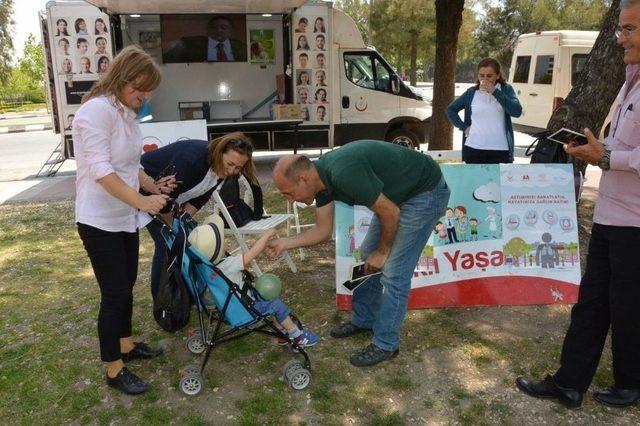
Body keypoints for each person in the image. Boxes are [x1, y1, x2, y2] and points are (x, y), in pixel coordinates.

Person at [516, 0, 640, 409]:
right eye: (620, 29)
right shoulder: (629, 80)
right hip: (610, 213)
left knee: (627, 305)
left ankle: (630, 382)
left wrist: (604, 157)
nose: (620, 38)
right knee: (590, 303)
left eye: (629, 30)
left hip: (635, 222)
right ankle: (569, 383)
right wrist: (593, 147)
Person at [267, 141, 450, 366]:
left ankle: (386, 343)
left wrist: (383, 252)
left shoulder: (344, 172)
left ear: (303, 179)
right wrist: (285, 243)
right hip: (398, 196)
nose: (290, 200)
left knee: (394, 272)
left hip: (424, 193)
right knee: (366, 259)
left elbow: (390, 212)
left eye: (289, 193)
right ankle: (365, 320)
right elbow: (323, 232)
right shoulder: (320, 181)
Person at [73, 45, 168, 396]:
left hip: (124, 217)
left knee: (126, 284)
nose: (142, 99)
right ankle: (113, 369)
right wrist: (144, 201)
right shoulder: (96, 112)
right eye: (138, 90)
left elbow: (130, 166)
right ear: (121, 78)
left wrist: (151, 185)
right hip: (99, 220)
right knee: (114, 293)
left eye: (146, 93)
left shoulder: (125, 112)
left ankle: (126, 345)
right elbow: (102, 171)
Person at [140, 133, 257, 298]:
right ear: (219, 152)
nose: (232, 171)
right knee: (167, 244)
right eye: (230, 164)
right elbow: (165, 198)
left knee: (185, 242)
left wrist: (183, 222)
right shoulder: (192, 159)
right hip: (142, 190)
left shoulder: (221, 167)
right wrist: (175, 228)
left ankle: (185, 293)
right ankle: (164, 301)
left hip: (167, 200)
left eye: (238, 168)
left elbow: (201, 197)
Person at [197, 221, 319, 347]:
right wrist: (266, 236)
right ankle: (298, 336)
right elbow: (252, 253)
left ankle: (282, 334)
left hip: (232, 307)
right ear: (216, 250)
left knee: (270, 299)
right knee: (276, 304)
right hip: (247, 309)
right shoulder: (228, 265)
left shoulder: (211, 268)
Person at [445, 58, 522, 164]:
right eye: (482, 75)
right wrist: (464, 127)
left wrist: (495, 92)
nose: (485, 79)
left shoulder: (505, 89)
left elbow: (516, 111)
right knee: (474, 180)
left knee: (497, 180)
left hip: (500, 150)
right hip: (473, 148)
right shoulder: (471, 93)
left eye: (489, 76)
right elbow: (450, 110)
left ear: (498, 75)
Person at [163, 15, 247, 62]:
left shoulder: (241, 47)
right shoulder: (189, 44)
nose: (219, 30)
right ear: (208, 30)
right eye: (214, 27)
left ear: (231, 31)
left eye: (223, 27)